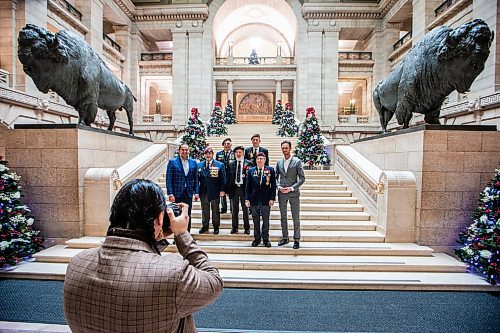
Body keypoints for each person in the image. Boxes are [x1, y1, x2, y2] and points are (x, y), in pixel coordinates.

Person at [64, 179, 223, 333]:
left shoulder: (77, 264)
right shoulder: (174, 274)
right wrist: (182, 234)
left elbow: (140, 260)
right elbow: (214, 280)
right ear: (160, 218)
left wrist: (154, 236)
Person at [275, 140, 306, 249]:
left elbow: (302, 178)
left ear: (290, 148)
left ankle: (296, 239)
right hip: (282, 193)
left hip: (293, 193)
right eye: (283, 148)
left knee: (295, 217)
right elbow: (275, 177)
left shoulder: (297, 162)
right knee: (283, 217)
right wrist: (278, 187)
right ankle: (285, 237)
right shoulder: (279, 162)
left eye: (286, 148)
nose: (284, 150)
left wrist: (292, 188)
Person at [166, 143, 199, 232]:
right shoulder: (172, 162)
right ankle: (177, 235)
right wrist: (170, 193)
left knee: (187, 214)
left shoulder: (193, 163)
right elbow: (168, 179)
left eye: (186, 150)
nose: (185, 151)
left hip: (188, 192)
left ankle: (187, 234)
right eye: (183, 150)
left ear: (189, 151)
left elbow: (196, 179)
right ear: (179, 151)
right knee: (177, 214)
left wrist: (196, 192)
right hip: (177, 193)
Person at [245, 152, 276, 247]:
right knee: (256, 221)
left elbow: (273, 186)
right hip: (254, 200)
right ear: (255, 160)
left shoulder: (270, 170)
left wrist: (272, 198)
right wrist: (247, 199)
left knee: (266, 221)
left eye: (262, 158)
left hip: (266, 200)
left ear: (265, 160)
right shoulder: (251, 171)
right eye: (258, 158)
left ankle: (266, 239)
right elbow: (247, 187)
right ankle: (257, 238)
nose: (259, 160)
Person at [198, 147, 226, 235]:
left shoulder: (219, 165)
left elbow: (223, 179)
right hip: (204, 192)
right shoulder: (199, 165)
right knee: (205, 210)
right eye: (206, 153)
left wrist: (222, 190)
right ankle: (205, 226)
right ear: (204, 155)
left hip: (215, 191)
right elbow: (197, 179)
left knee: (215, 210)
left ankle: (216, 227)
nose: (208, 155)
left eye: (210, 153)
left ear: (212, 154)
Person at [227, 145, 253, 234]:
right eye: (236, 152)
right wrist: (227, 190)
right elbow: (228, 177)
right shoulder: (231, 164)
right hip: (234, 189)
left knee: (245, 209)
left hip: (244, 189)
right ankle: (234, 227)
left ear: (243, 153)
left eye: (240, 152)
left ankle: (247, 227)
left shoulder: (249, 163)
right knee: (234, 210)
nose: (238, 154)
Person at [215, 137, 235, 214]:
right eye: (225, 144)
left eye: (228, 144)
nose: (227, 145)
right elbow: (216, 165)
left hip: (231, 176)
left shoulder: (234, 153)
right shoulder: (219, 154)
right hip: (222, 176)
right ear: (223, 145)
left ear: (231, 145)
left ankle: (232, 208)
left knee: (231, 193)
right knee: (222, 192)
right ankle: (224, 208)